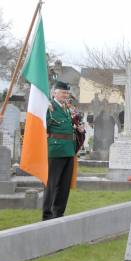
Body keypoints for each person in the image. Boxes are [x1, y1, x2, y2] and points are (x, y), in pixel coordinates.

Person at [42, 81, 85, 220]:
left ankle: (58, 213)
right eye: (62, 92)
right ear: (54, 93)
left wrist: (78, 129)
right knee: (51, 183)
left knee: (65, 185)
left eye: (67, 93)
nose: (65, 95)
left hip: (69, 150)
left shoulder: (67, 108)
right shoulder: (48, 107)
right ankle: (47, 214)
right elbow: (42, 128)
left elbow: (69, 126)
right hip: (55, 150)